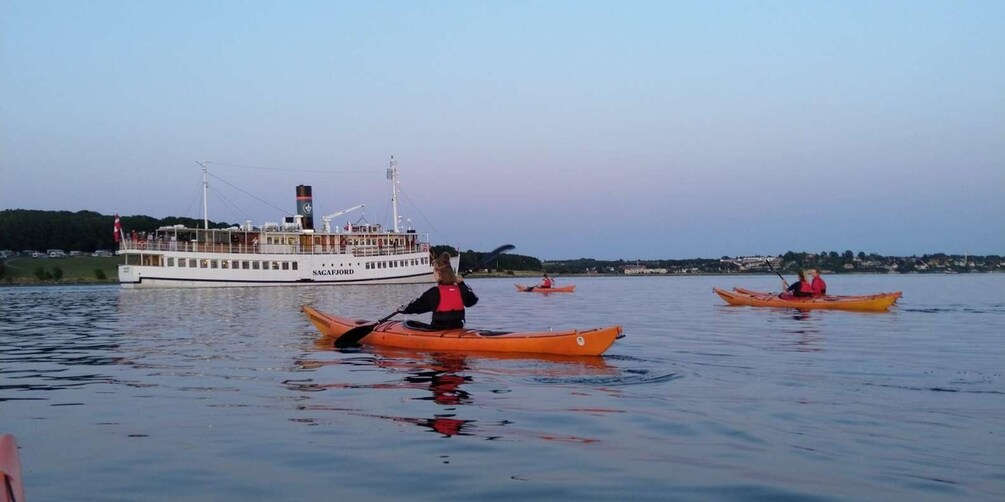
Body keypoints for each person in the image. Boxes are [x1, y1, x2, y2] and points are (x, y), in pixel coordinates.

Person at [400, 252, 478, 329]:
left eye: (434, 271)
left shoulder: (434, 292)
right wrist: (462, 283)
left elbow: (417, 307)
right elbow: (473, 300)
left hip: (439, 329)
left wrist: (403, 309)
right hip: (458, 327)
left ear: (439, 273)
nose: (433, 274)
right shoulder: (461, 289)